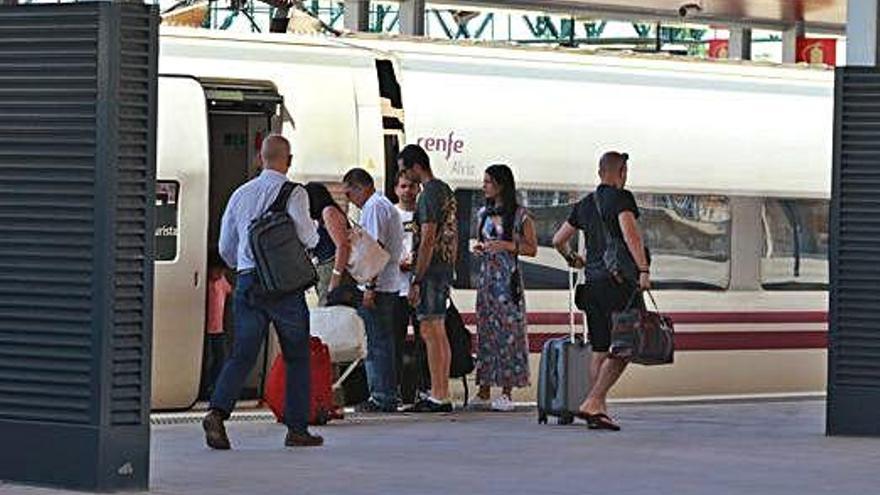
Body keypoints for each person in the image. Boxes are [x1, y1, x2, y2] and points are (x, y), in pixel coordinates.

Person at [204, 134, 324, 449]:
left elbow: (226, 248)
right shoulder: (294, 193)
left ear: (260, 158)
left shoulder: (240, 194)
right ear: (290, 160)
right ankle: (297, 429)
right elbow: (309, 239)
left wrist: (244, 263)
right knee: (296, 355)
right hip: (284, 287)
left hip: (247, 282)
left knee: (242, 354)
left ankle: (217, 413)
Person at [552, 151, 651, 431]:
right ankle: (594, 400)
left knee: (600, 347)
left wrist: (574, 259)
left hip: (592, 285)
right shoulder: (622, 198)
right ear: (621, 172)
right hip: (618, 283)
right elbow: (631, 234)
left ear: (599, 172)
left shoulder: (584, 204)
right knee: (626, 345)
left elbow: (559, 240)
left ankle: (599, 412)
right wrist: (643, 269)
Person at [471, 164, 537, 412]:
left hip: (507, 283)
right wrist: (481, 248)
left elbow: (532, 248)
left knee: (509, 332)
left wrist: (507, 245)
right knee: (486, 332)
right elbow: (484, 241)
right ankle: (484, 388)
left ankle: (507, 391)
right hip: (487, 280)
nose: (484, 186)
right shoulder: (483, 214)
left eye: (488, 181)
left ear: (501, 185)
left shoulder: (520, 215)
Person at [398, 144, 458, 413]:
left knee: (430, 331)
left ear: (415, 167)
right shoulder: (445, 190)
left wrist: (417, 279)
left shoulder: (428, 195)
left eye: (404, 170)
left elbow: (428, 239)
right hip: (443, 268)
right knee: (439, 331)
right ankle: (441, 390)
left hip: (431, 271)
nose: (404, 176)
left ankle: (438, 394)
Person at [342, 168, 404, 412]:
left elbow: (373, 249)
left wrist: (369, 285)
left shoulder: (375, 207)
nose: (350, 200)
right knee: (382, 342)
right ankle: (384, 394)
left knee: (378, 343)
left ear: (360, 187)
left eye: (349, 193)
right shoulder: (382, 204)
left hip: (379, 286)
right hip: (386, 284)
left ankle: (382, 397)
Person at [392, 169, 422, 401]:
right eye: (403, 186)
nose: (407, 191)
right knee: (395, 341)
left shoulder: (424, 215)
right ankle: (397, 389)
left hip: (420, 287)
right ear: (395, 189)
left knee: (424, 342)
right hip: (396, 288)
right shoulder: (391, 214)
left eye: (412, 186)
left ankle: (424, 388)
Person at [305, 182, 352, 306]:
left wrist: (336, 277)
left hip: (331, 267)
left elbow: (342, 246)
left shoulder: (329, 212)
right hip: (324, 268)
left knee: (328, 309)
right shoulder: (323, 215)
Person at [203, 251, 233, 398]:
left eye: (222, 270)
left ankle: (215, 387)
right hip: (205, 330)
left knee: (220, 359)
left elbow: (231, 292)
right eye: (217, 270)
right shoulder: (204, 284)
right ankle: (205, 387)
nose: (219, 273)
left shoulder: (222, 281)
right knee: (207, 360)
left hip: (218, 329)